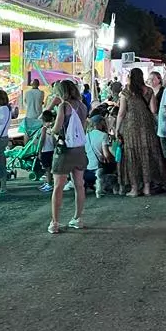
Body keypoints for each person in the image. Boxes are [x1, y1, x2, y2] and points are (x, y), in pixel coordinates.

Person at [117, 68, 166, 197]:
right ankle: (147, 188)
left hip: (131, 127)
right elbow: (154, 110)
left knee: (132, 156)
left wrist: (117, 129)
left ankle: (134, 188)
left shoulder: (126, 92)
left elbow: (121, 113)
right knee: (147, 154)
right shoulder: (149, 91)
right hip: (146, 126)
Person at [48, 80, 88, 234]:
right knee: (79, 184)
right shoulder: (83, 106)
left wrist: (50, 129)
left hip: (64, 150)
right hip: (79, 149)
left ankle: (55, 222)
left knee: (58, 186)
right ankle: (78, 218)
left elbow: (57, 128)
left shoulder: (63, 106)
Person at [86, 116, 117, 197]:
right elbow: (106, 155)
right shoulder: (103, 135)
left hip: (88, 169)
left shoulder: (86, 136)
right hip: (99, 169)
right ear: (101, 123)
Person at [35, 108, 56, 193]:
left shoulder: (43, 128)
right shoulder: (52, 127)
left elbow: (42, 140)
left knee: (47, 169)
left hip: (45, 150)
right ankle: (48, 182)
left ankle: (49, 184)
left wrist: (39, 150)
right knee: (50, 168)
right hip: (51, 149)